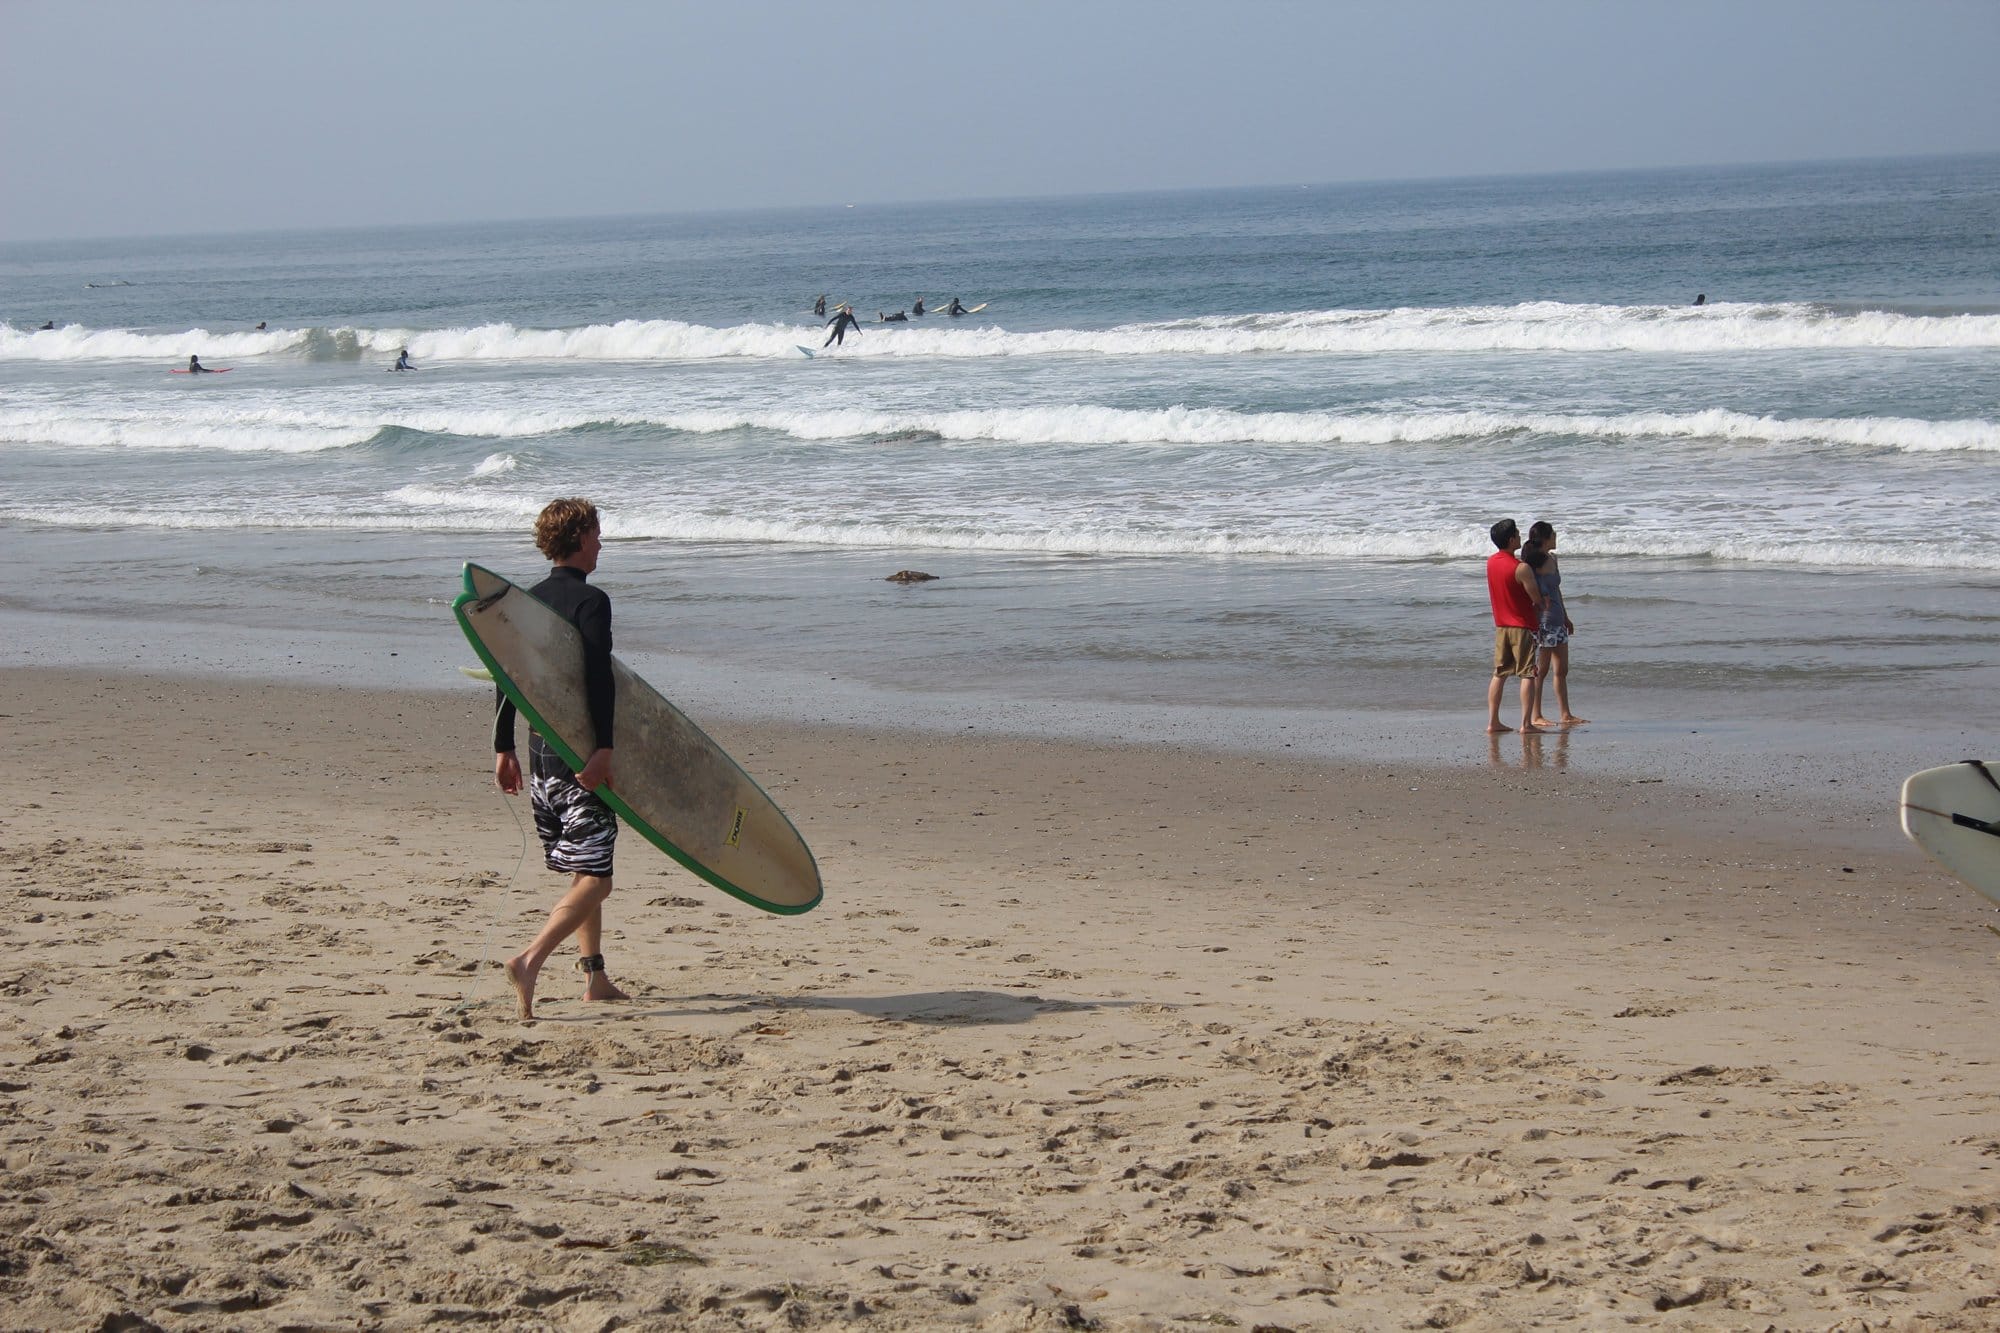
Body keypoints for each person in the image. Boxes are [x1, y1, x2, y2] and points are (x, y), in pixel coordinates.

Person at [492, 498, 628, 1020]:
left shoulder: (525, 602)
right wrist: (604, 750)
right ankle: (530, 960)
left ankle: (595, 978)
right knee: (598, 878)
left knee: (584, 869)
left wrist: (503, 747)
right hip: (578, 757)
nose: (601, 544)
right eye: (596, 534)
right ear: (577, 538)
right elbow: (599, 679)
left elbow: (507, 678)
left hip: (540, 755)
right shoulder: (591, 602)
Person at [1523, 521, 1588, 729]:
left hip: (1558, 618)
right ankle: (1536, 714)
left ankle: (1565, 713)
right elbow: (1529, 591)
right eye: (1553, 534)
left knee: (1562, 669)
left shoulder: (1553, 559)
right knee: (1541, 671)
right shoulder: (1532, 562)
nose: (1556, 536)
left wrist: (1566, 616)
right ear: (1545, 538)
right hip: (1544, 620)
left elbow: (1557, 591)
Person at [1484, 518, 1546, 734]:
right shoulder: (1521, 568)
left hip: (1501, 625)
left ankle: (1493, 722)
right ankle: (1526, 724)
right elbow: (1536, 599)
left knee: (1499, 674)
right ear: (1511, 540)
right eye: (1518, 535)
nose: (1521, 537)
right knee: (1528, 674)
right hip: (1522, 625)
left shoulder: (1491, 562)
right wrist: (1542, 604)